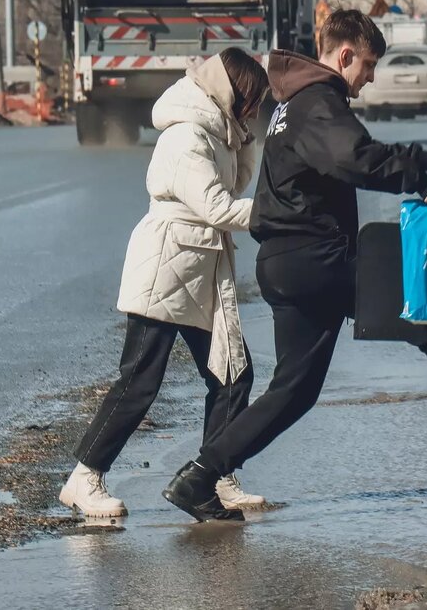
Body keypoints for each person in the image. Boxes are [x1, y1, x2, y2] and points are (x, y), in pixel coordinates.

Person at [160, 10, 427, 522]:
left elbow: (355, 151)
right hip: (316, 256)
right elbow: (351, 157)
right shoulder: (317, 100)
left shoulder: (297, 103)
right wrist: (420, 181)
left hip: (288, 262)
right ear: (345, 55)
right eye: (369, 65)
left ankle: (199, 476)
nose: (371, 78)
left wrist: (422, 159)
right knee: (423, 308)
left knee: (294, 391)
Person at [59, 48, 270, 518]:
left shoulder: (220, 132)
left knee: (233, 375)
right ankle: (83, 478)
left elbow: (236, 186)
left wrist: (246, 140)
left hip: (202, 269)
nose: (256, 110)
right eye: (252, 100)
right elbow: (218, 207)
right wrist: (278, 214)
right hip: (166, 265)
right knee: (139, 381)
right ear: (232, 93)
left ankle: (215, 475)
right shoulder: (187, 136)